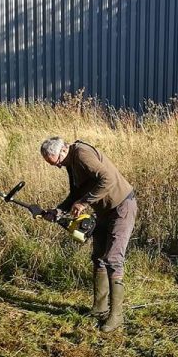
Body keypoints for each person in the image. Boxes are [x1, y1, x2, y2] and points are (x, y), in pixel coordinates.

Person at [40, 137, 137, 331]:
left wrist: (84, 203)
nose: (58, 167)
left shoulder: (82, 154)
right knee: (98, 257)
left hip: (121, 206)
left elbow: (107, 179)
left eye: (57, 162)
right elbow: (75, 194)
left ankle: (116, 316)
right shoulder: (69, 162)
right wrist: (58, 211)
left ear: (63, 150)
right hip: (103, 211)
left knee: (113, 259)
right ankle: (99, 308)